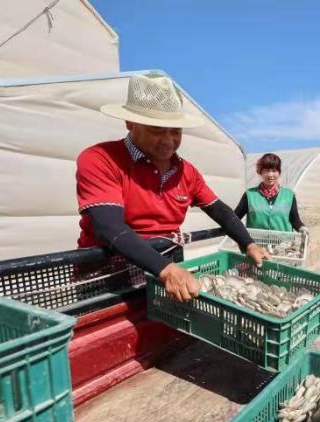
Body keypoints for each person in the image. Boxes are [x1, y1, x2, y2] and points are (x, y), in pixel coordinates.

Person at [76, 73, 268, 302]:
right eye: (157, 129)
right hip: (107, 274)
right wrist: (166, 270)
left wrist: (248, 244)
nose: (168, 141)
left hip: (163, 269)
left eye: (175, 131)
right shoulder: (100, 159)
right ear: (130, 123)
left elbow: (220, 211)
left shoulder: (187, 172)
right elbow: (110, 228)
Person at [234, 153, 308, 235]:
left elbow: (295, 220)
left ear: (279, 172)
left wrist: (302, 228)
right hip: (255, 245)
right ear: (260, 173)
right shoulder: (250, 195)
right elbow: (234, 219)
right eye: (266, 171)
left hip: (283, 245)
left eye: (274, 170)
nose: (270, 175)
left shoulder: (289, 195)